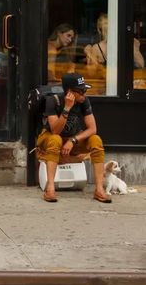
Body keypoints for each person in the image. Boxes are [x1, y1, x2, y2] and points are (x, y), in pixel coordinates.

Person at [36, 72, 112, 204]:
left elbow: (92, 129)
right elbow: (55, 130)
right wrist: (66, 108)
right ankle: (50, 188)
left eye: (85, 91)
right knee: (55, 139)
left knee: (96, 140)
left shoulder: (84, 101)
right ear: (70, 92)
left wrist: (73, 140)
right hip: (50, 138)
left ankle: (99, 189)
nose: (84, 95)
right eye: (81, 92)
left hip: (72, 139)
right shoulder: (53, 101)